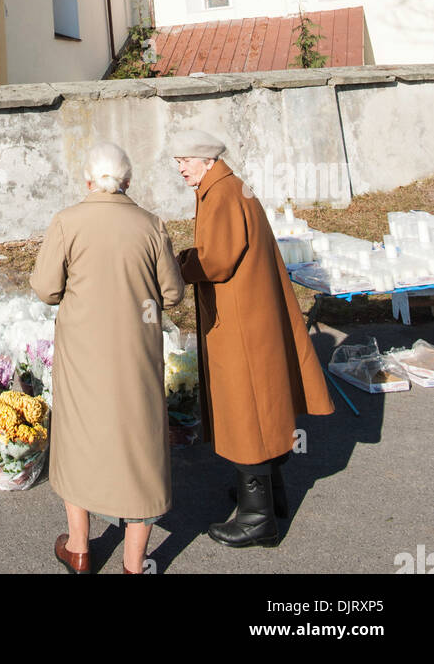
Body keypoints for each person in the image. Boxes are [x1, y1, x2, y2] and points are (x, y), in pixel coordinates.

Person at [172, 128, 334, 547]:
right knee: (261, 405)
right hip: (250, 314)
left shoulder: (222, 193)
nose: (181, 168)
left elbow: (218, 262)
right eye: (178, 161)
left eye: (186, 160)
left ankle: (258, 519)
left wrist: (177, 266)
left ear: (208, 160)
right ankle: (267, 497)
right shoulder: (226, 187)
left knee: (247, 411)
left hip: (241, 320)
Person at [30, 140, 185, 575]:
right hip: (137, 350)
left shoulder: (67, 222)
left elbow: (46, 289)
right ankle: (134, 565)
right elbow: (172, 293)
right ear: (128, 181)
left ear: (87, 181)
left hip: (82, 350)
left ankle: (79, 548)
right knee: (139, 442)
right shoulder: (151, 225)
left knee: (78, 435)